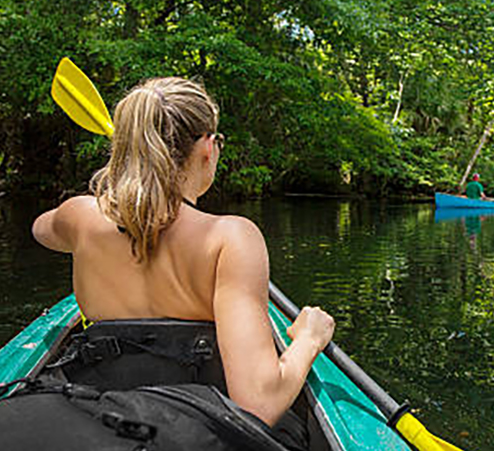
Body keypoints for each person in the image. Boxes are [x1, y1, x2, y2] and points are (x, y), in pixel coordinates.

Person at [31, 77, 334, 429]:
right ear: (208, 147)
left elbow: (41, 231)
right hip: (196, 431)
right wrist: (311, 338)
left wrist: (112, 202)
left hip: (97, 417)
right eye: (217, 140)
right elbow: (259, 404)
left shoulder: (80, 217)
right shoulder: (231, 239)